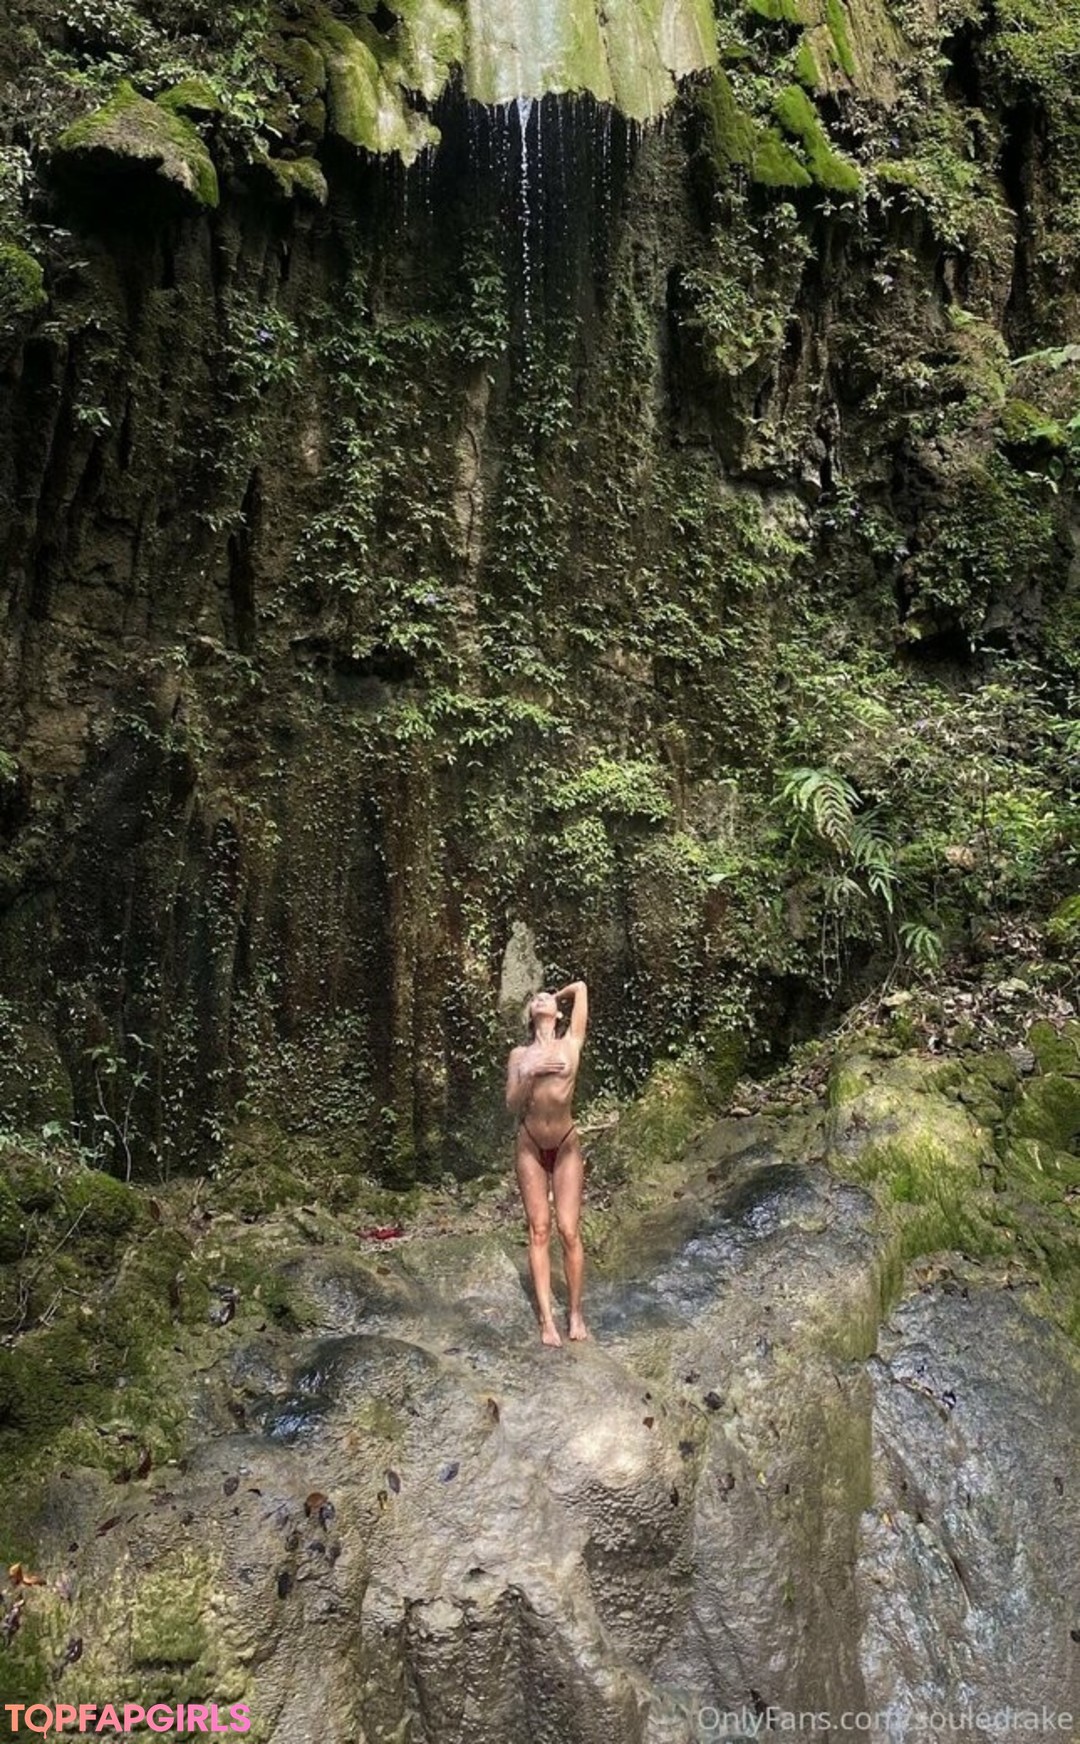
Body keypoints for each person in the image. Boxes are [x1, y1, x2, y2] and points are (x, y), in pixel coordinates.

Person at [505, 979, 589, 1346]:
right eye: (535, 999)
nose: (540, 999)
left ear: (556, 1012)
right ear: (529, 1014)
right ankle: (546, 1319)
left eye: (546, 998)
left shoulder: (571, 1042)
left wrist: (555, 996)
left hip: (566, 1144)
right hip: (530, 1144)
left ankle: (575, 1312)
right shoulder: (519, 1056)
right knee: (539, 1229)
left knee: (569, 1231)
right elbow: (512, 1104)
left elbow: (581, 988)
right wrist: (531, 1073)